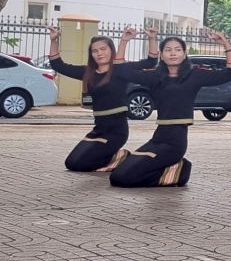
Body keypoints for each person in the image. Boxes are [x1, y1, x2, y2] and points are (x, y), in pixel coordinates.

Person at [110, 33, 231, 188]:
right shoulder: (154, 76)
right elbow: (120, 71)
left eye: (178, 50)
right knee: (117, 177)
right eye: (168, 50)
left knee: (126, 179)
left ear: (184, 54)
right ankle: (171, 172)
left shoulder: (195, 75)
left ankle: (179, 172)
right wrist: (124, 41)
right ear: (162, 55)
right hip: (157, 139)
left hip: (175, 142)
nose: (173, 53)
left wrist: (226, 46)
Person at [48, 25, 159, 172]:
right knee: (72, 163)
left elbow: (151, 62)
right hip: (98, 129)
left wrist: (149, 38)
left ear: (111, 50)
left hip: (116, 131)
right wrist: (54, 40)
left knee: (82, 165)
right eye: (95, 51)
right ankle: (115, 158)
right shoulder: (87, 72)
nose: (99, 53)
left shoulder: (122, 70)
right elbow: (58, 65)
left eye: (103, 49)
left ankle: (121, 157)